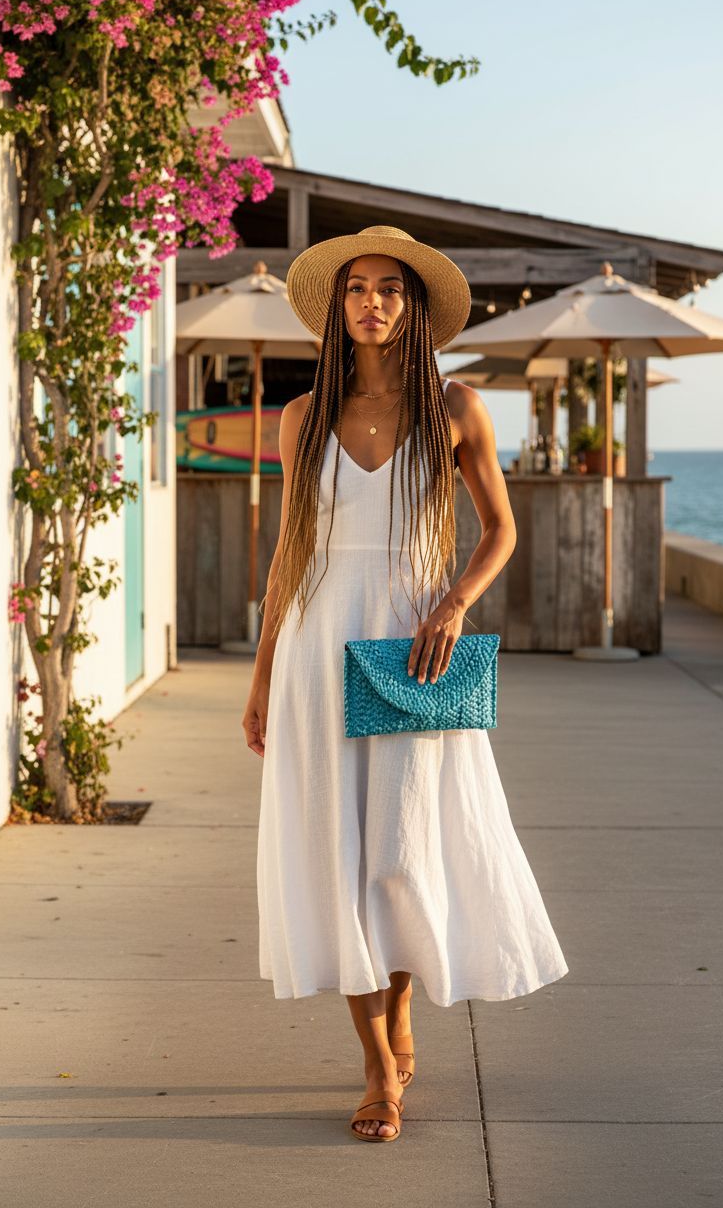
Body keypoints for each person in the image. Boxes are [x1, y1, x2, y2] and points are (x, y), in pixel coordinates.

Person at [241, 226, 568, 1144]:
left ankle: (403, 1003)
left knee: (399, 851)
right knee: (332, 853)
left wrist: (456, 602)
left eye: (389, 288)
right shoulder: (303, 417)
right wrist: (263, 674)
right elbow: (289, 554)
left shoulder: (457, 407)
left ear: (414, 306)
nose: (373, 302)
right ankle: (379, 1068)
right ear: (338, 308)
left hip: (411, 648)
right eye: (357, 289)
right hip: (314, 643)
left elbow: (498, 529)